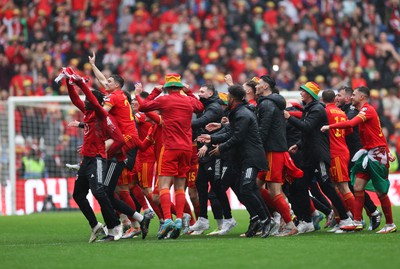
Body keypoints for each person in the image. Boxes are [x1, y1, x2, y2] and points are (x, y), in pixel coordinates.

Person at [198, 84, 278, 238]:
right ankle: (261, 219)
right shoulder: (238, 112)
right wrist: (212, 137)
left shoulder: (242, 114)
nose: (226, 98)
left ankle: (265, 220)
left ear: (232, 98)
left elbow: (237, 137)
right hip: (244, 158)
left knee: (247, 188)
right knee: (247, 189)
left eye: (228, 96)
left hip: (251, 157)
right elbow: (231, 131)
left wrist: (221, 148)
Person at [56, 68, 124, 242]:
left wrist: (80, 83)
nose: (84, 102)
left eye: (88, 100)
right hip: (86, 160)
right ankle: (95, 225)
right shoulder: (88, 113)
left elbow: (92, 99)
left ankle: (115, 226)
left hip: (98, 159)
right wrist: (69, 83)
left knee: (99, 192)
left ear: (95, 102)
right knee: (78, 195)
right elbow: (74, 99)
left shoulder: (101, 114)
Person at [88, 53, 151, 240]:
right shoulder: (117, 94)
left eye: (109, 81)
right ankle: (136, 220)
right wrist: (93, 65)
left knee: (113, 186)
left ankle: (124, 224)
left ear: (116, 85)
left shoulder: (114, 97)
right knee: (114, 189)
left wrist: (87, 116)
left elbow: (101, 113)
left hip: (125, 140)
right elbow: (101, 79)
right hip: (126, 139)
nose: (105, 83)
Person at [321, 86, 397, 234]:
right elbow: (378, 133)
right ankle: (356, 221)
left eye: (354, 95)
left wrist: (329, 126)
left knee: (380, 192)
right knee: (357, 186)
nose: (352, 97)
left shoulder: (367, 110)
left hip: (376, 155)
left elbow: (350, 124)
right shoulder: (363, 111)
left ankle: (390, 224)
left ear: (362, 97)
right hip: (368, 153)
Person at [138, 73, 204, 239]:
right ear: (180, 86)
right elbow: (200, 107)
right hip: (187, 148)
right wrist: (189, 92)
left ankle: (168, 219)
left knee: (164, 185)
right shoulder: (189, 100)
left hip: (170, 147)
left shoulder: (164, 99)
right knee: (180, 186)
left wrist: (154, 91)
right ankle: (180, 220)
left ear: (167, 87)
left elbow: (143, 107)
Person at [284, 81, 354, 233]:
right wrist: (299, 145)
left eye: (303, 91)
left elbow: (307, 127)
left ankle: (345, 218)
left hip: (319, 155)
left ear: (309, 94)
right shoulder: (310, 109)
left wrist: (289, 117)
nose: (301, 93)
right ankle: (307, 221)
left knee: (327, 187)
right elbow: (308, 133)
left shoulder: (317, 109)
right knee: (300, 186)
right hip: (309, 155)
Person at [255, 75, 299, 236]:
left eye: (259, 84)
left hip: (273, 151)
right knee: (254, 186)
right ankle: (277, 216)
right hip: (272, 150)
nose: (256, 86)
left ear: (266, 87)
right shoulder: (272, 103)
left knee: (274, 190)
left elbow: (264, 130)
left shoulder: (267, 104)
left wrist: (256, 147)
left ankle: (289, 223)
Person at [189, 84, 236, 235]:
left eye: (202, 91)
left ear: (210, 93)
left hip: (215, 153)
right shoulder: (205, 106)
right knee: (200, 184)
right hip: (205, 152)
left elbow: (202, 122)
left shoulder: (214, 107)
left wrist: (179, 123)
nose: (199, 93)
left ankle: (228, 219)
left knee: (216, 187)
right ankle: (203, 218)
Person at [335, 86, 382, 230]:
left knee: (354, 185)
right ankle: (364, 215)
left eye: (340, 95)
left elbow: (348, 124)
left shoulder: (351, 111)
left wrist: (329, 125)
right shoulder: (346, 110)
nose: (337, 98)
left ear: (348, 98)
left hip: (357, 152)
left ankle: (371, 213)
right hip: (353, 152)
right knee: (353, 186)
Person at [321, 89, 355, 232]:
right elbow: (349, 131)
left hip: (336, 152)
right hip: (342, 149)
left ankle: (356, 220)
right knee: (336, 187)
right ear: (335, 99)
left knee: (343, 187)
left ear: (323, 99)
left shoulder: (325, 112)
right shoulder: (341, 112)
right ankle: (341, 220)